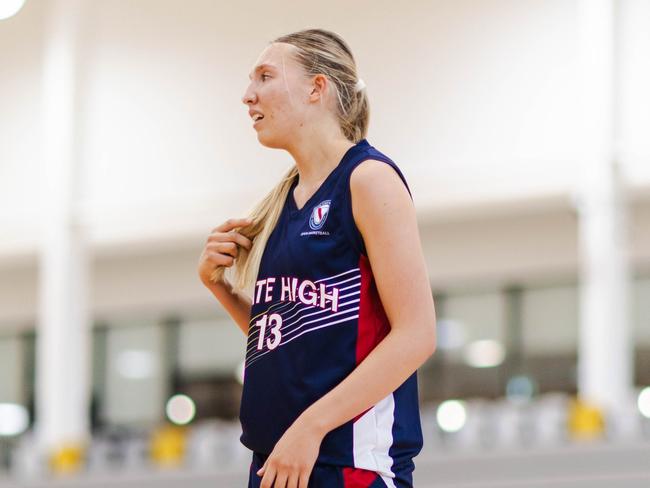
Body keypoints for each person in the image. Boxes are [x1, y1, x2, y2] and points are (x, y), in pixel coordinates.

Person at [198, 28, 436, 488]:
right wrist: (219, 287)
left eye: (265, 77)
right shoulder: (283, 200)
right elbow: (294, 339)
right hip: (279, 459)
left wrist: (311, 426)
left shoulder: (368, 180)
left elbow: (417, 335)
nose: (248, 96)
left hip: (347, 461)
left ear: (317, 88)